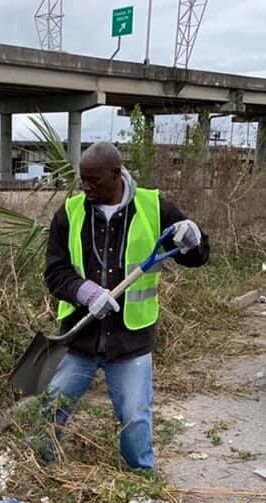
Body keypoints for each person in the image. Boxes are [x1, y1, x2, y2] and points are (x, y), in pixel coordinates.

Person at [37, 141, 210, 470]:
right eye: (82, 180)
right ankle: (37, 468)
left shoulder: (154, 207)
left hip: (130, 342)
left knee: (135, 417)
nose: (86, 188)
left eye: (94, 181)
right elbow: (55, 272)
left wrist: (193, 241)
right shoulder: (70, 213)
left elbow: (198, 255)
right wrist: (85, 292)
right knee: (50, 408)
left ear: (116, 174)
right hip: (79, 339)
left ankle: (139, 478)